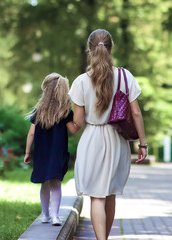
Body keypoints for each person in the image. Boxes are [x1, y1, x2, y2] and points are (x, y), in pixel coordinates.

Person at [68, 29, 147, 240]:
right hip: (117, 140)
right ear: (111, 49)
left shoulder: (81, 82)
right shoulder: (125, 76)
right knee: (110, 193)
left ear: (89, 50)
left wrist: (63, 122)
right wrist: (143, 144)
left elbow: (77, 123)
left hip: (92, 139)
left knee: (97, 196)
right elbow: (136, 113)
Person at [23, 73, 79, 226]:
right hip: (57, 153)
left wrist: (28, 152)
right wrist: (81, 121)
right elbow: (73, 130)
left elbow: (32, 133)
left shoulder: (39, 111)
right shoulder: (65, 111)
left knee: (44, 184)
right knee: (56, 184)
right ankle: (55, 216)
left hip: (41, 154)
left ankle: (45, 215)